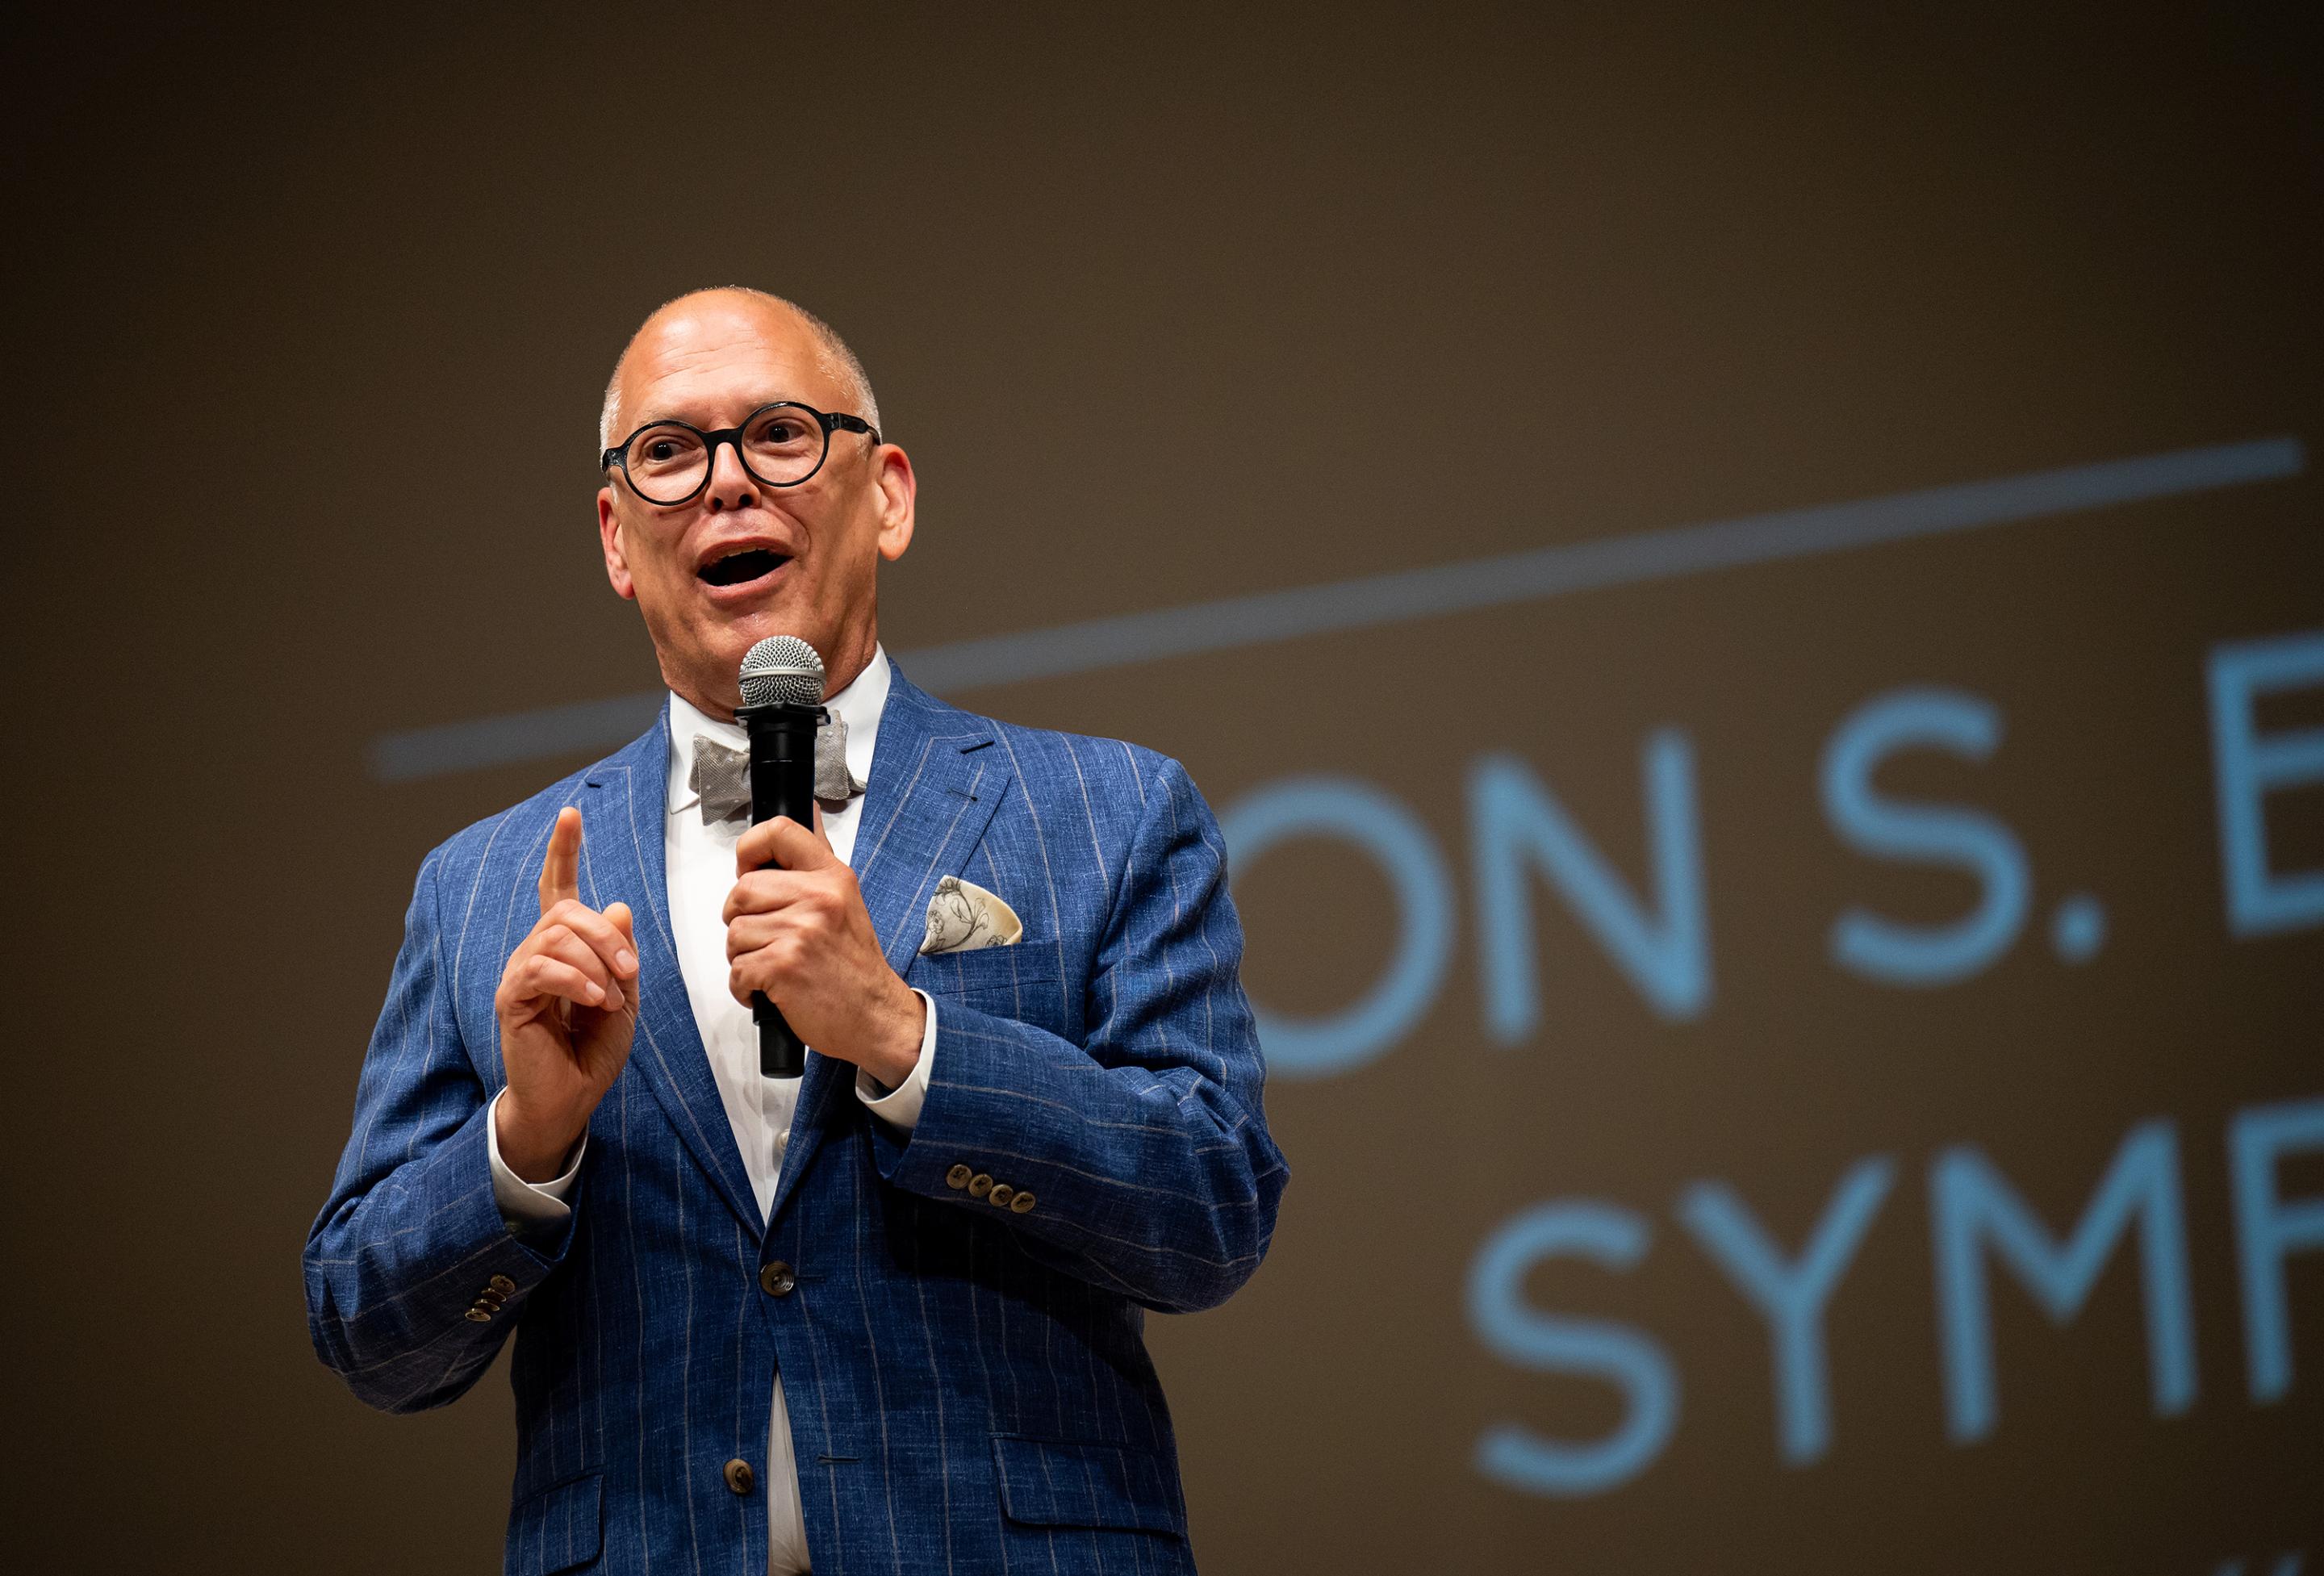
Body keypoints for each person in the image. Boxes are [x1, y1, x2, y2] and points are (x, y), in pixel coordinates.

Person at [303, 288, 1289, 1576]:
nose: (723, 484)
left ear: (887, 494)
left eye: (777, 433)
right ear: (614, 534)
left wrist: (904, 1039)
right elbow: (369, 1333)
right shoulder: (478, 883)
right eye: (667, 452)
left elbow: (1212, 1210)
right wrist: (523, 1144)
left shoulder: (1112, 811)